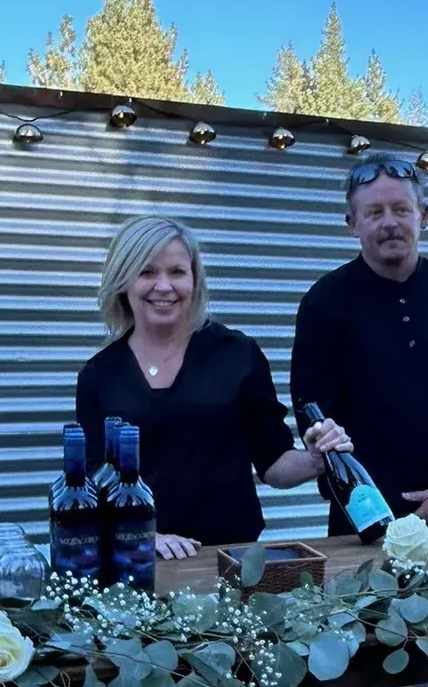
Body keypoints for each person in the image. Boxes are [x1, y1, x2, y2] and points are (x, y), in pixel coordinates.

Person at [76, 214, 351, 558]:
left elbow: (273, 465)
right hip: (140, 559)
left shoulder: (237, 354)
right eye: (147, 272)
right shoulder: (99, 374)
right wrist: (144, 536)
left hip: (231, 556)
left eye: (177, 272)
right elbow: (90, 484)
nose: (164, 286)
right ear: (123, 281)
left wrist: (315, 459)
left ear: (195, 280)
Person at [290, 153, 428, 531]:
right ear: (351, 223)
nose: (390, 223)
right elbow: (315, 416)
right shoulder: (323, 302)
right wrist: (364, 503)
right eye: (374, 212)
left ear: (423, 215)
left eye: (400, 209)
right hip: (365, 519)